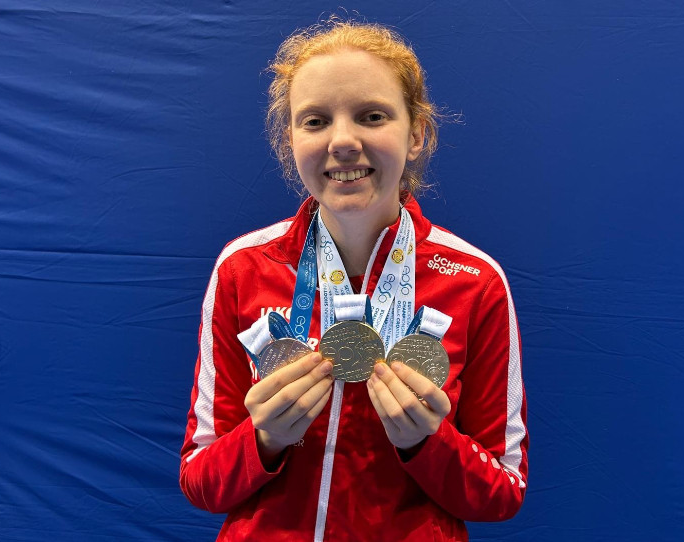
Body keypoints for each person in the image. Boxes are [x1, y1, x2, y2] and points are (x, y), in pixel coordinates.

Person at [180, 18, 528, 541]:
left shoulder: (476, 282)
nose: (342, 141)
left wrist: (428, 444)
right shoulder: (242, 268)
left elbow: (504, 491)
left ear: (417, 134)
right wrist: (263, 439)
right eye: (315, 121)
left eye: (372, 116)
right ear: (290, 139)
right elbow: (200, 481)